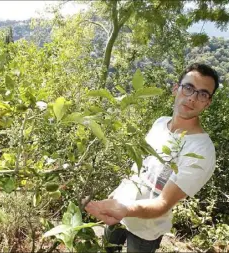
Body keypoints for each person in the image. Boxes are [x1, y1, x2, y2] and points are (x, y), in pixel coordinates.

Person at [84, 63, 219, 253]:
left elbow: (163, 203)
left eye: (202, 94)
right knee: (106, 249)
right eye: (188, 88)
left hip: (146, 230)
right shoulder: (160, 123)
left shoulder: (202, 152)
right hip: (118, 209)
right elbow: (141, 167)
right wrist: (118, 193)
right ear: (175, 88)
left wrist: (124, 209)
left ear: (208, 102)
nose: (192, 98)